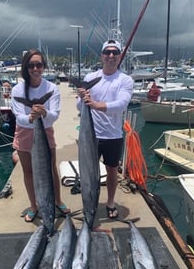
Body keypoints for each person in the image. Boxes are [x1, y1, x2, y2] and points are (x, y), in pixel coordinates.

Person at [76, 39, 134, 219]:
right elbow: (80, 106)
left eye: (115, 52)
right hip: (89, 136)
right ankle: (88, 204)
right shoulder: (89, 78)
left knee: (111, 171)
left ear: (119, 57)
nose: (111, 56)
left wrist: (93, 104)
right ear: (102, 55)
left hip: (113, 135)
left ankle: (110, 202)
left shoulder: (125, 80)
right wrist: (82, 98)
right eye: (107, 52)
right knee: (87, 171)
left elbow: (121, 105)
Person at [11, 49, 70, 222]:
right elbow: (19, 117)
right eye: (31, 65)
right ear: (26, 67)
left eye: (39, 64)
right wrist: (31, 117)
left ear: (43, 66)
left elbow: (55, 115)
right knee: (28, 171)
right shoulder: (17, 90)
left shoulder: (51, 88)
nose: (35, 68)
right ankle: (34, 206)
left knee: (51, 169)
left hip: (44, 131)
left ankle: (57, 201)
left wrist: (43, 114)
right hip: (24, 132)